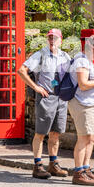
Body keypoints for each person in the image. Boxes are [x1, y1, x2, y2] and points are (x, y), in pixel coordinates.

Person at [17, 29, 70, 179]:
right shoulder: (40, 55)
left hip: (61, 99)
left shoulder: (65, 56)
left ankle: (53, 164)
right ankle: (37, 166)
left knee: (56, 133)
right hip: (46, 98)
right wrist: (36, 87)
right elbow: (21, 71)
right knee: (40, 133)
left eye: (55, 38)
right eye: (50, 38)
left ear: (61, 40)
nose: (52, 41)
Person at [68, 35, 94, 186]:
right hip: (82, 104)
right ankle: (78, 173)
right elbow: (84, 84)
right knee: (84, 138)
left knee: (92, 137)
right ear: (92, 48)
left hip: (89, 104)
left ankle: (86, 169)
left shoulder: (87, 62)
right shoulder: (81, 61)